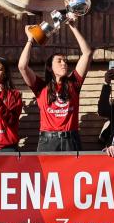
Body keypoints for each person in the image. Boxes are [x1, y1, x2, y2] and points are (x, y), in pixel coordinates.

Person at [19, 20, 92, 151]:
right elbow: (22, 66)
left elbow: (87, 53)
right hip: (48, 141)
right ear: (50, 68)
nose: (64, 63)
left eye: (65, 61)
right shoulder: (41, 87)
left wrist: (73, 26)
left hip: (71, 139)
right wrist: (30, 39)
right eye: (59, 61)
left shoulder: (74, 83)